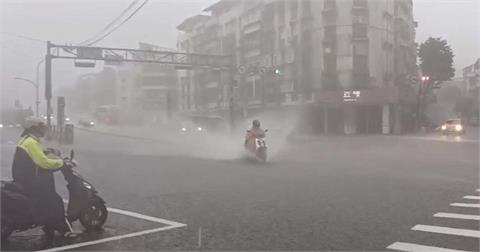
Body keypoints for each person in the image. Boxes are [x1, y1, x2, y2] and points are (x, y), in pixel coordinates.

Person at [11, 116, 77, 238]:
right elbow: (43, 163)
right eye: (41, 127)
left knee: (48, 199)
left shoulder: (27, 139)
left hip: (24, 178)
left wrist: (50, 152)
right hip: (31, 181)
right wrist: (62, 163)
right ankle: (65, 230)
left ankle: (48, 224)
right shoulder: (31, 142)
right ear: (34, 128)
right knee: (55, 200)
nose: (44, 130)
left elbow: (38, 154)